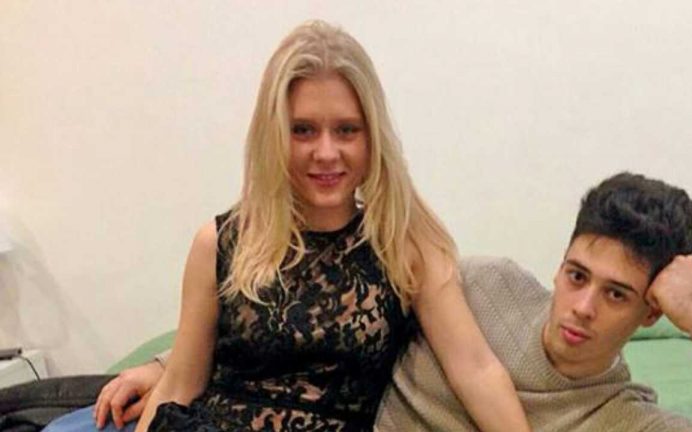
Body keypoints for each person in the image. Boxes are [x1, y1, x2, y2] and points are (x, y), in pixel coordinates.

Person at [44, 20, 530, 432]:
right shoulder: (218, 243)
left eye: (346, 130)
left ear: (372, 137)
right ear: (273, 135)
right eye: (303, 130)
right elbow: (181, 385)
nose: (326, 152)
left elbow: (476, 369)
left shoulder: (405, 245)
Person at [377, 172, 692, 431]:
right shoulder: (480, 287)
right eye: (577, 276)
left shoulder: (625, 419)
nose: (582, 307)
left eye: (616, 294)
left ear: (652, 312)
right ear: (560, 266)